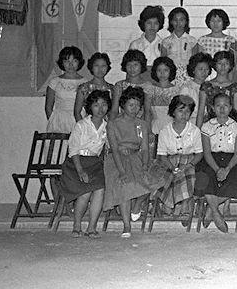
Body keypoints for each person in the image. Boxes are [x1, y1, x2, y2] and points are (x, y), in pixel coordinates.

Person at [103, 86, 162, 238]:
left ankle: (137, 206)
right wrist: (122, 171)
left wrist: (145, 164)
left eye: (137, 105)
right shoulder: (113, 124)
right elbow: (115, 149)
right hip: (117, 161)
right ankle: (126, 225)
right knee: (125, 185)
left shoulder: (141, 124)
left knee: (155, 180)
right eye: (131, 105)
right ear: (123, 105)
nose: (135, 108)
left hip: (136, 158)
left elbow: (144, 148)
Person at [59, 89, 111, 238]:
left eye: (104, 105)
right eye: (96, 105)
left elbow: (109, 147)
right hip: (76, 164)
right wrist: (80, 170)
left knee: (100, 189)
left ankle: (92, 227)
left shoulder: (107, 126)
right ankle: (77, 225)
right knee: (86, 191)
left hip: (95, 163)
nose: (100, 109)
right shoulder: (81, 125)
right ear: (90, 107)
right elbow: (73, 150)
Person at [195, 93, 237, 233]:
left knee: (236, 179)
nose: (222, 109)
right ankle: (216, 213)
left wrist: (227, 169)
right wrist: (218, 169)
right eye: (218, 106)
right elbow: (206, 152)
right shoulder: (206, 127)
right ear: (212, 108)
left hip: (233, 160)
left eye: (225, 106)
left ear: (230, 108)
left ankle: (210, 208)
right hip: (211, 159)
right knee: (205, 177)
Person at [154, 95, 203, 226]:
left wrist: (188, 165)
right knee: (168, 175)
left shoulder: (194, 131)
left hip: (189, 160)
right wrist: (172, 167)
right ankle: (168, 203)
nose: (184, 114)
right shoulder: (165, 131)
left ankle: (185, 203)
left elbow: (199, 154)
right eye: (180, 110)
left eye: (187, 112)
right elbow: (162, 155)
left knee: (189, 174)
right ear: (173, 112)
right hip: (168, 161)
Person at [45, 46, 87, 133]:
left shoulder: (85, 82)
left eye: (74, 61)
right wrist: (53, 120)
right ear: (62, 63)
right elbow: (48, 107)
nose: (70, 64)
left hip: (79, 119)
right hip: (58, 121)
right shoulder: (54, 82)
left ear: (79, 62)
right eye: (66, 61)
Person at [195, 50, 237, 126]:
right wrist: (198, 133)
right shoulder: (206, 86)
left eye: (226, 63)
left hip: (230, 126)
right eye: (220, 63)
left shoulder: (234, 87)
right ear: (215, 65)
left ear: (230, 66)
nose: (223, 66)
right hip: (209, 126)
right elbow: (200, 113)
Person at [110, 50, 153, 128]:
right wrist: (111, 127)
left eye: (135, 65)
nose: (132, 68)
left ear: (141, 66)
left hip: (140, 125)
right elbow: (114, 110)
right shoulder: (119, 85)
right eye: (129, 65)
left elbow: (147, 111)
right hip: (121, 125)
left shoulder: (147, 86)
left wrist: (148, 131)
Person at [73, 52, 115, 122]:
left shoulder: (112, 89)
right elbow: (77, 113)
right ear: (91, 67)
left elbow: (114, 112)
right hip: (88, 126)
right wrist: (83, 128)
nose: (100, 69)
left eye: (103, 66)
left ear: (108, 67)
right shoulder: (83, 88)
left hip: (107, 127)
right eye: (96, 66)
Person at [160, 7, 198, 83]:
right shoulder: (166, 42)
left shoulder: (192, 41)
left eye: (181, 20)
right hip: (171, 76)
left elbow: (195, 63)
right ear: (171, 22)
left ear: (186, 21)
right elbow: (163, 62)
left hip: (188, 77)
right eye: (175, 20)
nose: (178, 23)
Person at [149, 56, 181, 136]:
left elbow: (179, 113)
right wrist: (148, 132)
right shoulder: (150, 89)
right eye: (159, 70)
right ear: (155, 71)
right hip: (154, 129)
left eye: (166, 70)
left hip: (172, 130)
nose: (162, 73)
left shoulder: (177, 90)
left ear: (171, 71)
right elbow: (147, 113)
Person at [129, 6, 165, 73]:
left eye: (156, 23)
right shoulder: (135, 45)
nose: (152, 26)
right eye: (149, 23)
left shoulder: (164, 43)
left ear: (160, 24)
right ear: (143, 23)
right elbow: (130, 66)